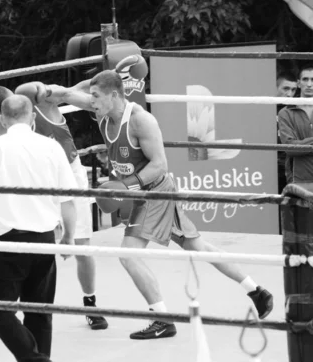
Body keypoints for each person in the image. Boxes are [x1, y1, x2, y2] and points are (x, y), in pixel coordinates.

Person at [45, 67, 273, 340]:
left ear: (114, 95)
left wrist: (124, 187)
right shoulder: (102, 110)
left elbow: (160, 165)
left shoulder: (142, 121)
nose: (90, 101)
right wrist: (45, 91)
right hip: (143, 193)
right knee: (197, 246)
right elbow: (67, 94)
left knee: (129, 255)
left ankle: (162, 318)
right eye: (91, 96)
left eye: (95, 96)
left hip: (154, 192)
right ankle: (256, 291)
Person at [0, 85, 107, 341]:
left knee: (81, 245)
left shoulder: (40, 100)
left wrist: (96, 96)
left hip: (67, 171)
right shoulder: (1, 128)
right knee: (14, 246)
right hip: (34, 181)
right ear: (0, 115)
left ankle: (91, 303)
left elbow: (67, 92)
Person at [0, 94, 77, 362]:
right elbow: (68, 200)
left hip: (7, 242)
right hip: (45, 240)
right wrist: (69, 237)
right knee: (39, 311)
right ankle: (38, 358)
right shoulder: (52, 148)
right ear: (33, 117)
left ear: (1, 119)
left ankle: (35, 360)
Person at [279, 65, 313, 183]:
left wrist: (303, 144)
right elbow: (290, 148)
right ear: (298, 83)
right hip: (298, 179)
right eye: (305, 79)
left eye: (312, 80)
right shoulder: (285, 112)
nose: (309, 84)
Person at [276, 72, 298, 191]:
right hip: (268, 162)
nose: (289, 94)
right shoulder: (263, 107)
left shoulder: (296, 109)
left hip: (291, 164)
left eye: (293, 90)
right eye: (286, 88)